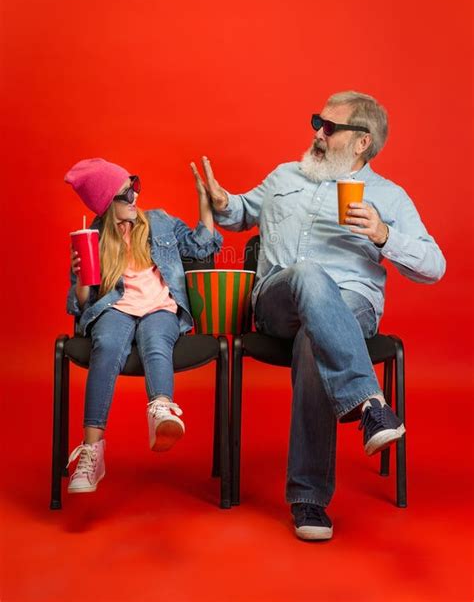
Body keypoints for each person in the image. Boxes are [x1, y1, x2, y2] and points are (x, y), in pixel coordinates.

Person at [192, 90, 446, 541]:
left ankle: (308, 498)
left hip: (351, 305)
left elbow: (434, 266)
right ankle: (370, 403)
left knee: (318, 334)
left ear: (361, 142)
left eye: (329, 127)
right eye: (317, 122)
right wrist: (222, 200)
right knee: (309, 275)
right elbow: (241, 213)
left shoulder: (388, 196)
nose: (317, 134)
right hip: (277, 300)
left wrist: (385, 234)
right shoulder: (286, 175)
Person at [64, 158, 222, 494]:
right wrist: (80, 280)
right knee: (105, 345)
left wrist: (204, 201)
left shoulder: (159, 223)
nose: (135, 197)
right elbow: (79, 304)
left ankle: (160, 412)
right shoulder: (91, 239)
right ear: (107, 205)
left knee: (156, 340)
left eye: (134, 186)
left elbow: (203, 245)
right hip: (114, 309)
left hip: (160, 308)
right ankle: (92, 453)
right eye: (125, 194)